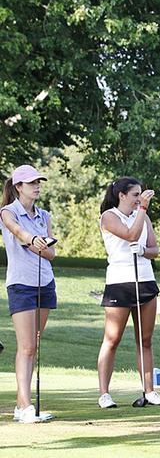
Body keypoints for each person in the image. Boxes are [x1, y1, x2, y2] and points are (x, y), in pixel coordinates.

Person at [96, 177, 160, 408]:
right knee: (112, 339)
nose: (140, 199)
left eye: (141, 195)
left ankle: (149, 391)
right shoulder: (108, 216)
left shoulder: (143, 217)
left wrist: (144, 251)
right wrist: (143, 210)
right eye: (136, 195)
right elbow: (129, 234)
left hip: (145, 280)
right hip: (119, 281)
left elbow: (155, 249)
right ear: (122, 195)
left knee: (145, 340)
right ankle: (104, 394)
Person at [1, 165, 57, 423]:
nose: (37, 186)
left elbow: (51, 253)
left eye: (39, 182)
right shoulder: (7, 212)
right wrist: (31, 239)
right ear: (18, 186)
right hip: (21, 284)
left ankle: (22, 405)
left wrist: (39, 245)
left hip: (44, 283)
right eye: (32, 182)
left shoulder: (44, 215)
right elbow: (17, 232)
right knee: (26, 346)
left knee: (34, 345)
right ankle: (25, 406)